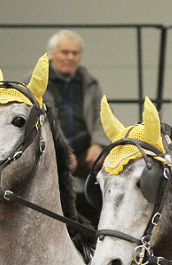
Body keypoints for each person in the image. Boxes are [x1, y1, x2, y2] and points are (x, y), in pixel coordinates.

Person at [42, 30, 110, 224]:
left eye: (75, 53)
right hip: (52, 151)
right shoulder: (37, 83)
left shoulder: (90, 83)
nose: (70, 57)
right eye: (65, 52)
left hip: (87, 153)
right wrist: (61, 151)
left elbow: (102, 117)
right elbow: (36, 125)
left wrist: (98, 144)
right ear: (52, 54)